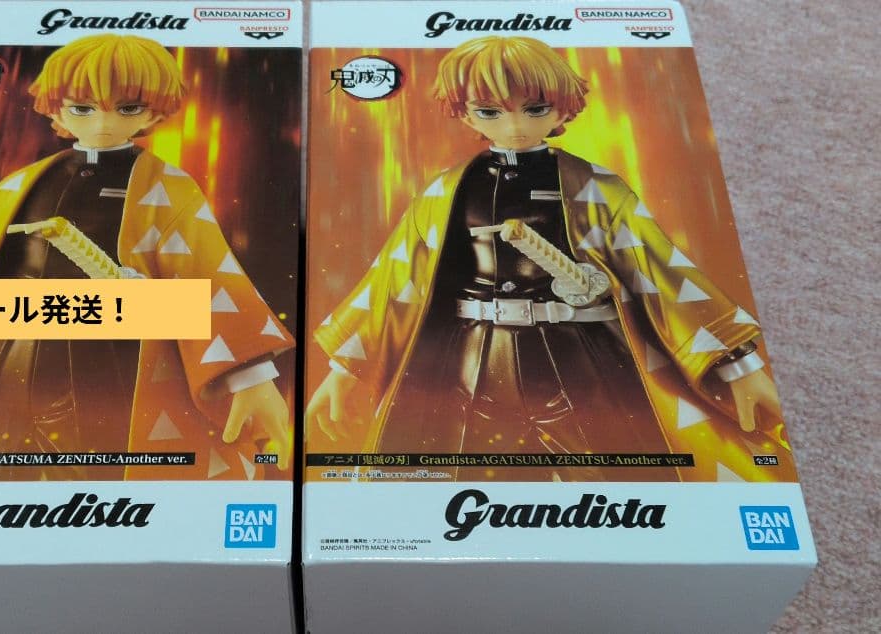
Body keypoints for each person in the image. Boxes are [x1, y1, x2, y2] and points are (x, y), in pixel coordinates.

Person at [0, 34, 294, 479]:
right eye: (82, 108)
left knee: (97, 473)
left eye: (127, 108)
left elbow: (211, 278)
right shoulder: (22, 184)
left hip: (109, 365)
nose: (103, 124)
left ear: (153, 112)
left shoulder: (168, 188)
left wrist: (251, 377)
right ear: (57, 110)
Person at [306, 36, 782, 482]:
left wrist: (738, 364)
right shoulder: (447, 191)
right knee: (465, 476)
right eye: (489, 111)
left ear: (562, 108)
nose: (514, 127)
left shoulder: (595, 187)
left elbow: (659, 269)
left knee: (615, 475)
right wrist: (344, 370)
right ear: (465, 114)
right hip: (471, 359)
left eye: (534, 109)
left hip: (580, 355)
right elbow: (396, 277)